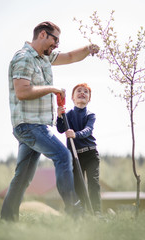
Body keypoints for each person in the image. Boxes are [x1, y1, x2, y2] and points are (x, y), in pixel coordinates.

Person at [0, 21, 99, 221]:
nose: (56, 45)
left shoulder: (43, 58)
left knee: (23, 176)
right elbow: (22, 91)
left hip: (36, 125)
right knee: (63, 156)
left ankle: (7, 218)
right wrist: (52, 88)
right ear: (43, 35)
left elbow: (70, 57)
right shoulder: (24, 58)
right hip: (29, 125)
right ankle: (75, 211)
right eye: (55, 40)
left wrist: (88, 49)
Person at [56, 83, 101, 214]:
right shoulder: (68, 114)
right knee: (79, 185)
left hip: (91, 154)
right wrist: (59, 116)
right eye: (79, 91)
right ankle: (84, 213)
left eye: (86, 92)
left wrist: (76, 134)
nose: (82, 93)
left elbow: (88, 130)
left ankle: (96, 212)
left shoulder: (90, 115)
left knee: (93, 183)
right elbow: (60, 129)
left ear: (89, 99)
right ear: (72, 98)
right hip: (75, 156)